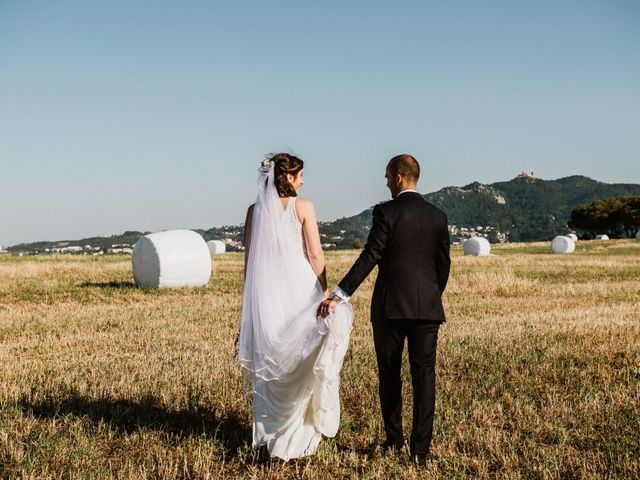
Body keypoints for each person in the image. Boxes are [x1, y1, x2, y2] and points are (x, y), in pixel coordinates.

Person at [318, 154, 450, 466]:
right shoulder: (438, 216)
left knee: (390, 376)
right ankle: (419, 452)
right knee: (425, 378)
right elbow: (443, 266)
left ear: (400, 177)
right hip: (427, 310)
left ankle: (394, 441)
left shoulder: (385, 213)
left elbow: (370, 256)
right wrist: (430, 296)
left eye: (388, 177)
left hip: (389, 309)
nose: (387, 182)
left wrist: (340, 293)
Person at [238, 153, 353, 461]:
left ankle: (272, 434)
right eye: (300, 175)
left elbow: (249, 261)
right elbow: (316, 254)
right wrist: (325, 290)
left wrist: (251, 303)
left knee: (275, 360)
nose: (303, 180)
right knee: (302, 357)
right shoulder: (304, 207)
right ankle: (298, 432)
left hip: (267, 292)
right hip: (301, 288)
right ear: (287, 177)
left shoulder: (254, 211)